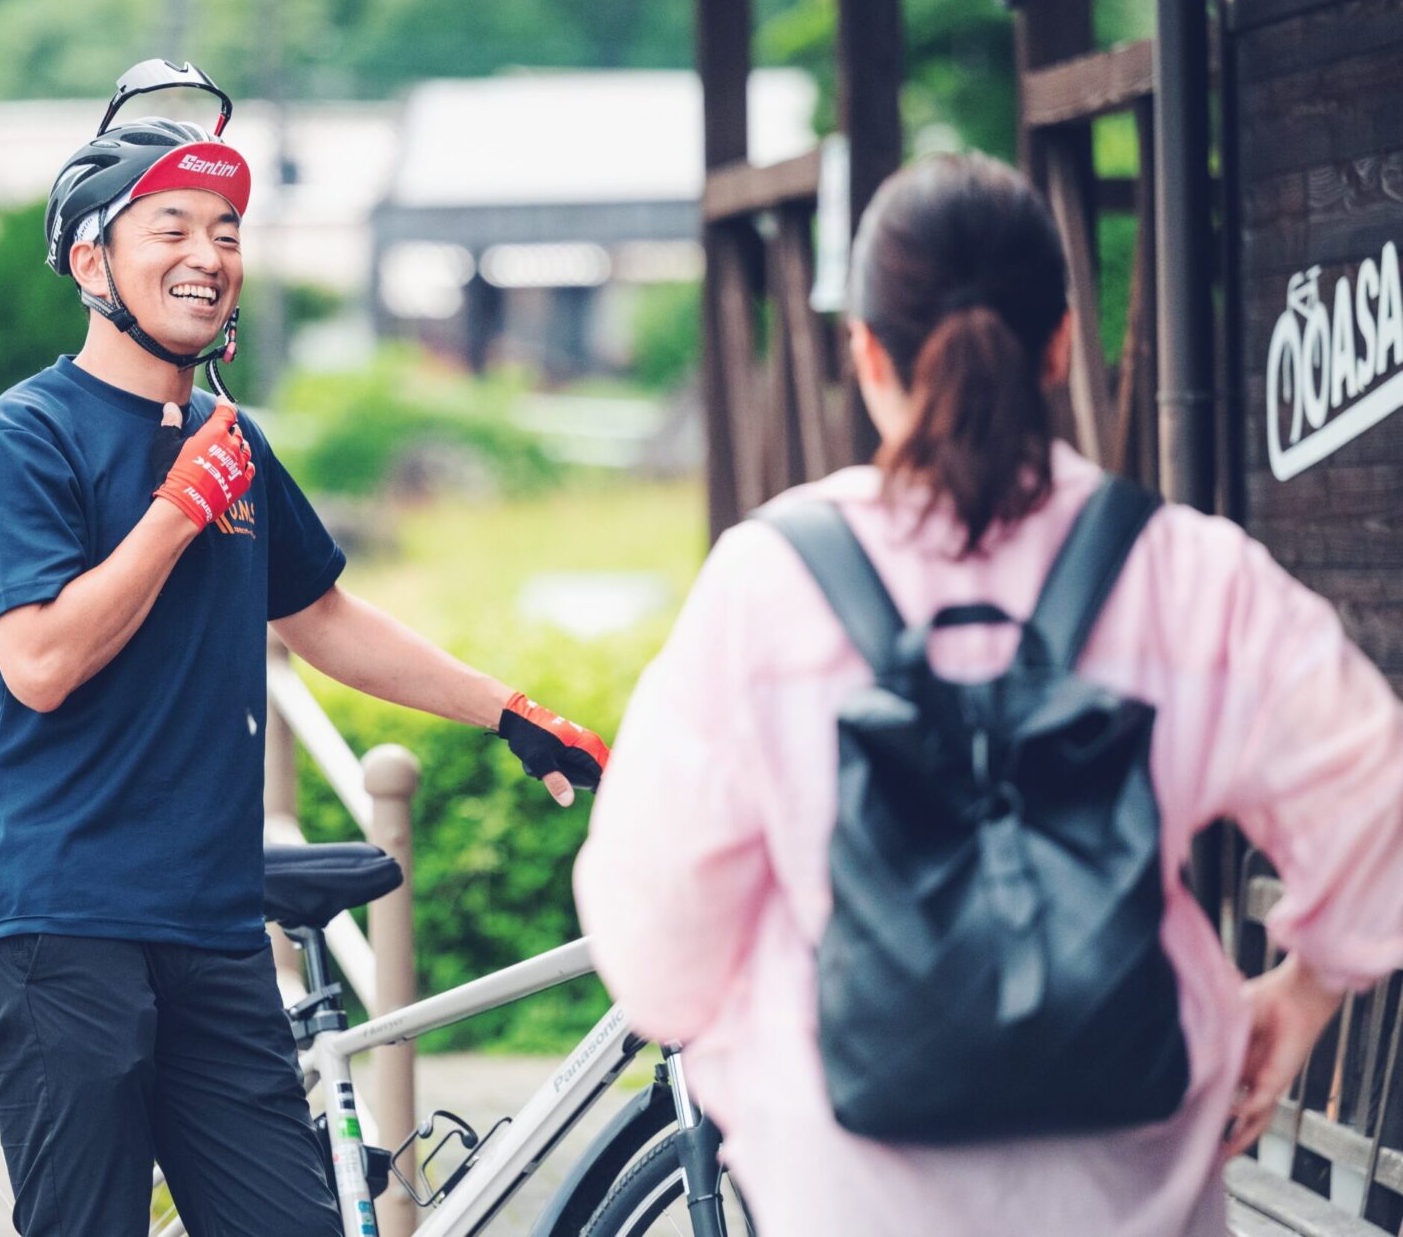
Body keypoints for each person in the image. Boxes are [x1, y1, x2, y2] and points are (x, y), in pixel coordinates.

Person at [574, 152, 1403, 1236]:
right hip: (1135, 1179)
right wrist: (1303, 996)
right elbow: (1378, 802)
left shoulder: (765, 585)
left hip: (855, 1189)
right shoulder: (1188, 573)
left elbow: (657, 941)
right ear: (1061, 340)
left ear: (865, 351)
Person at [0, 61, 608, 1237]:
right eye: (172, 227)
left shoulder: (227, 439)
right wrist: (176, 510)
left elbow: (320, 615)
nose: (209, 253)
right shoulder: (23, 440)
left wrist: (504, 706)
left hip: (205, 921)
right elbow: (39, 662)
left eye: (229, 231)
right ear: (93, 262)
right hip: (54, 919)